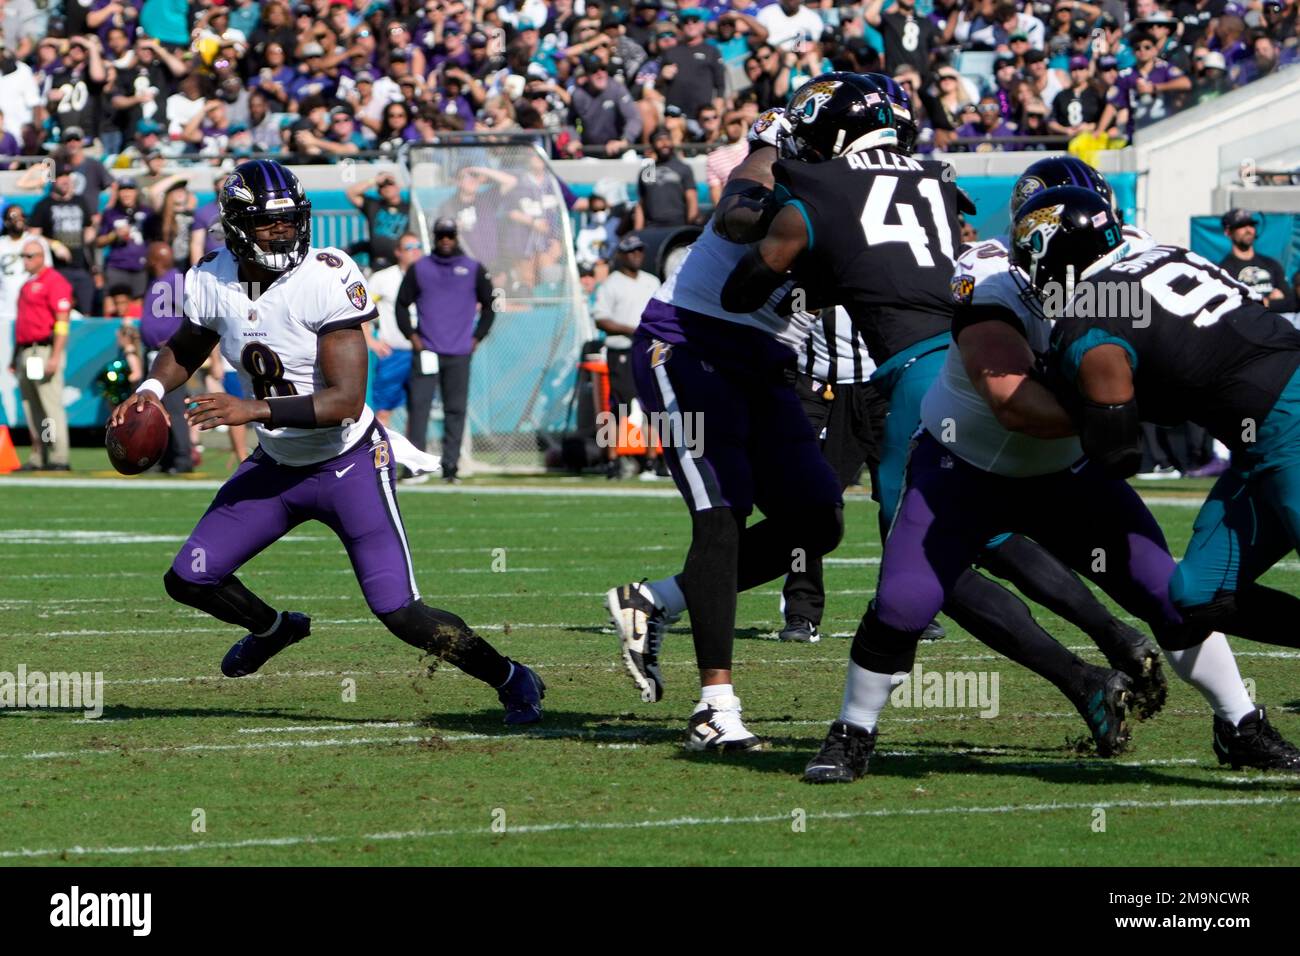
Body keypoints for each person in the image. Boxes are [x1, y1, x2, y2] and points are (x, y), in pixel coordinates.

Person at [722, 86, 1166, 774]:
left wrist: (764, 166)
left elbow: (744, 263)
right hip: (976, 368)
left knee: (932, 564)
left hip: (930, 375)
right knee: (999, 533)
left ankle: (1084, 681)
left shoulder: (832, 189)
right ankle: (1125, 646)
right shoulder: (934, 184)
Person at [108, 159, 544, 724]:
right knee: (190, 577)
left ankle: (512, 677)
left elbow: (345, 400)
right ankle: (272, 628)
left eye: (290, 222)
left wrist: (252, 409)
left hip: (349, 465)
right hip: (278, 466)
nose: (283, 233)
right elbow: (187, 344)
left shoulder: (326, 277)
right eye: (269, 224)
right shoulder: (211, 277)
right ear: (238, 227)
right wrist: (148, 387)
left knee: (399, 612)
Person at [1020, 185, 1300, 770]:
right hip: (1261, 437)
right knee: (1194, 599)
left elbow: (1119, 450)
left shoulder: (1088, 312)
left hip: (1287, 423)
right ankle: (1237, 734)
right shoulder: (1165, 254)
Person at [604, 106, 843, 750]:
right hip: (687, 345)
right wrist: (773, 209)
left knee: (819, 520)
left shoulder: (853, 191)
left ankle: (657, 599)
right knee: (722, 511)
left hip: (763, 359)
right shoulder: (772, 161)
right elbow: (742, 206)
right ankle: (714, 705)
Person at [395, 218, 496, 484]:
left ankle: (450, 466)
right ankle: (415, 466)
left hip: (459, 352)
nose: (446, 240)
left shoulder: (472, 268)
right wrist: (413, 336)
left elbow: (490, 306)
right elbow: (401, 304)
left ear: (456, 236)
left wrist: (476, 338)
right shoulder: (420, 268)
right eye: (441, 235)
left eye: (450, 235)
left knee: (455, 409)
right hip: (427, 350)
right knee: (419, 408)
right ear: (435, 236)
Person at [592, 234, 661, 479]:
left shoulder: (652, 282)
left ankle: (652, 461)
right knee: (618, 408)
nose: (636, 255)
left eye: (639, 251)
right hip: (621, 349)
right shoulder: (612, 284)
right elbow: (600, 318)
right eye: (631, 252)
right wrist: (632, 329)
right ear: (621, 255)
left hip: (649, 349)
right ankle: (613, 460)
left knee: (653, 406)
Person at [13, 239, 73, 471]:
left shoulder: (53, 281)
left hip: (43, 349)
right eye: (23, 256)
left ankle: (59, 456)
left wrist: (56, 355)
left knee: (49, 403)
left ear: (41, 257)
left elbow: (62, 322)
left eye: (29, 256)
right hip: (27, 350)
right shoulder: (28, 283)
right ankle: (39, 454)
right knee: (32, 405)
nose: (25, 261)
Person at [140, 241, 192, 474]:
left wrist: (175, 338)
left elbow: (194, 313)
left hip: (170, 356)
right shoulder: (158, 281)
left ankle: (182, 458)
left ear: (155, 259)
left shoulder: (174, 281)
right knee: (156, 410)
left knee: (173, 408)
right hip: (153, 353)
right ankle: (166, 457)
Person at [366, 231, 422, 430]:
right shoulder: (382, 278)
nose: (415, 252)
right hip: (394, 353)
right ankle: (385, 457)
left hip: (423, 352)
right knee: (384, 410)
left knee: (419, 410)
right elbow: (362, 312)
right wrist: (371, 341)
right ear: (398, 252)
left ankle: (412, 459)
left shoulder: (430, 276)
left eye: (418, 246)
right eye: (409, 247)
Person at [29, 162, 98, 316]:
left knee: (86, 313)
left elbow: (89, 227)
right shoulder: (44, 205)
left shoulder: (80, 201)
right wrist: (53, 244)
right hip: (57, 270)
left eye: (67, 175)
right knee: (59, 312)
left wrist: (90, 233)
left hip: (81, 268)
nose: (65, 180)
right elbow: (33, 235)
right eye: (60, 176)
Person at [1218, 208, 1289, 309]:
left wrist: (1263, 303)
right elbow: (1231, 307)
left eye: (1251, 225)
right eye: (1241, 226)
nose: (1248, 230)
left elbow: (1292, 303)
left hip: (1274, 322)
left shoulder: (1271, 264)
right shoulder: (1224, 270)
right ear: (1228, 232)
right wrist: (1266, 302)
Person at [95, 178, 154, 299]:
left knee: (138, 306)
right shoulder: (110, 213)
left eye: (130, 189)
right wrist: (114, 235)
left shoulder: (147, 212)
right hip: (117, 267)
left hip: (141, 268)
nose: (126, 194)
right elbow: (99, 242)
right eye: (123, 190)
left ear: (136, 192)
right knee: (114, 306)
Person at [634, 126, 698, 230]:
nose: (664, 143)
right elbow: (641, 204)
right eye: (659, 140)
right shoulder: (646, 171)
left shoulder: (683, 168)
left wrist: (690, 227)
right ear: (652, 144)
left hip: (678, 226)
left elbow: (692, 199)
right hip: (652, 227)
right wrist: (637, 232)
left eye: (667, 139)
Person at [345, 172, 411, 272]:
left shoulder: (409, 208)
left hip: (399, 265)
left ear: (398, 186)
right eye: (382, 185)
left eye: (390, 183)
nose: (387, 187)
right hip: (377, 265)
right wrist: (375, 180)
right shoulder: (374, 205)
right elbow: (351, 192)